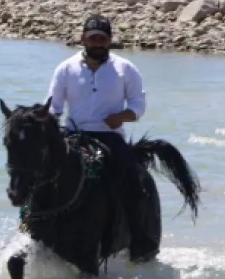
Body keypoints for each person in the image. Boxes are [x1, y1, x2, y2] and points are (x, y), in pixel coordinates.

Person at [46, 15, 151, 261]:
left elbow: (139, 103)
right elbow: (53, 106)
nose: (98, 44)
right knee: (40, 176)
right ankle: (31, 226)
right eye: (92, 38)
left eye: (102, 39)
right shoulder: (65, 68)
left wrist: (123, 116)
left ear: (110, 41)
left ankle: (140, 239)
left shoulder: (125, 69)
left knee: (133, 182)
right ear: (83, 39)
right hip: (73, 135)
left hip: (110, 136)